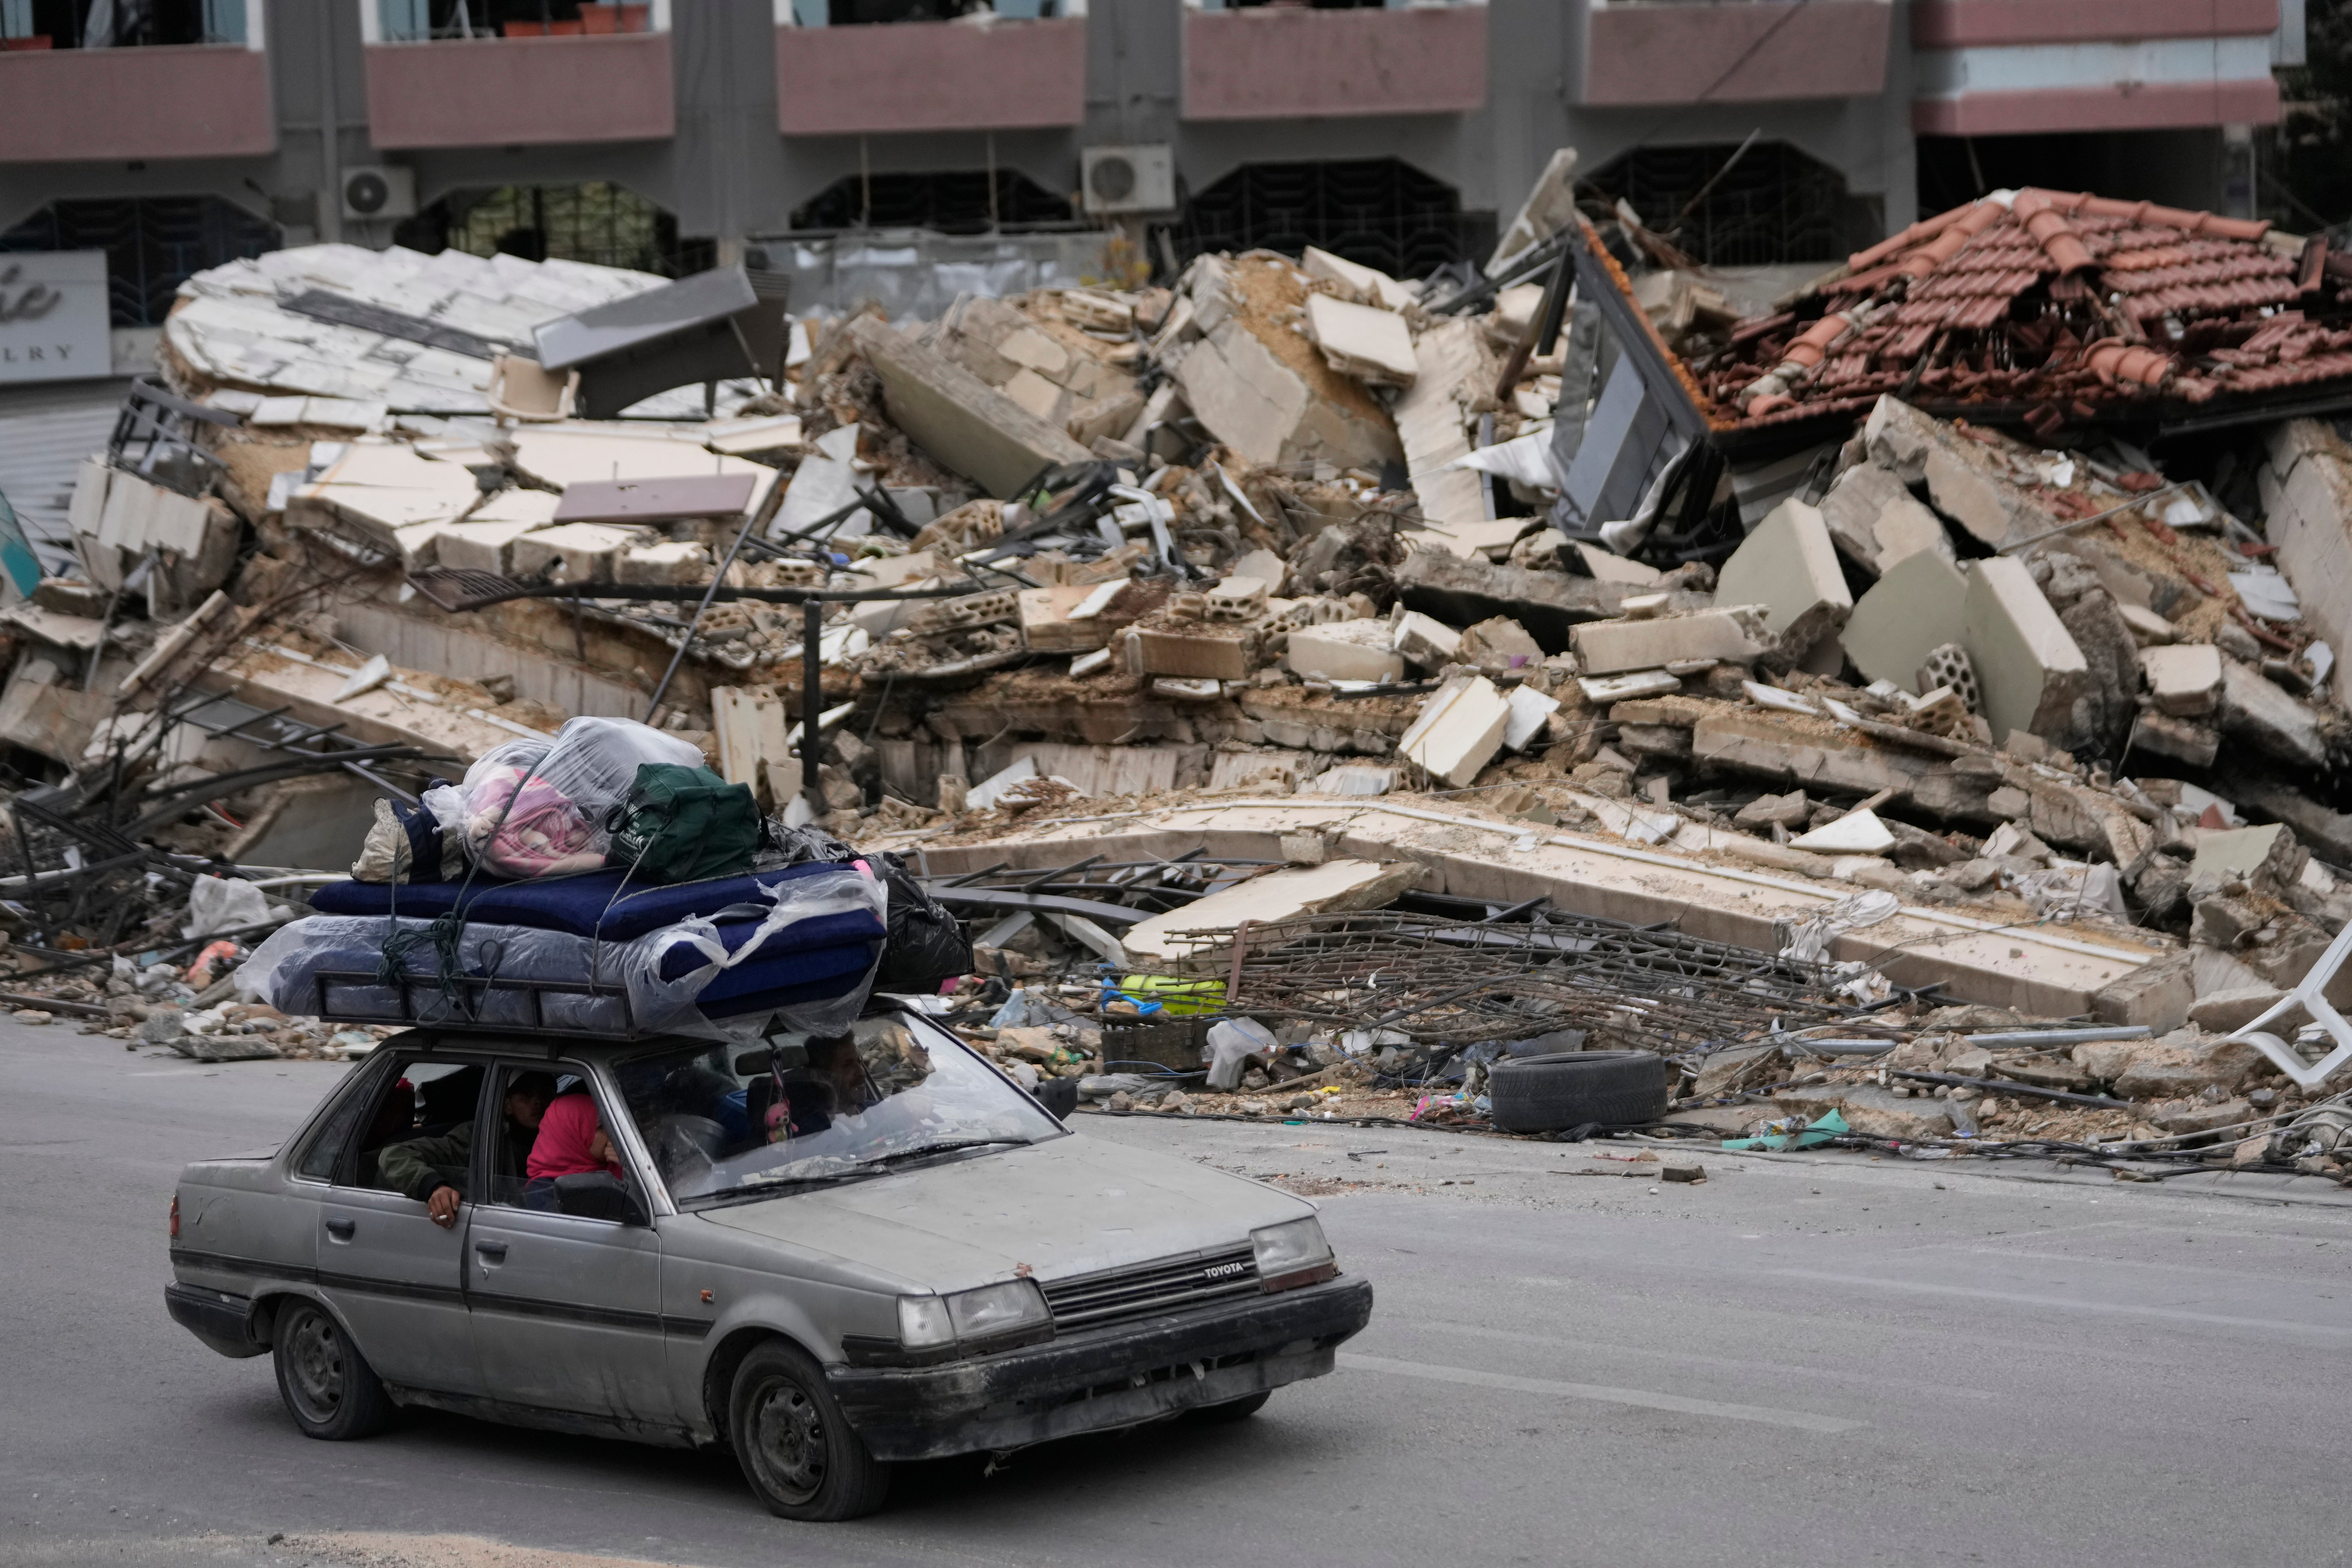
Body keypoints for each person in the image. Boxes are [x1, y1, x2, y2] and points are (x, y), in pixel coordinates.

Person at [377, 1071, 556, 1229]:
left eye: (546, 1094)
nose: (538, 1102)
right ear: (508, 1106)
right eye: (527, 1095)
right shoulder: (479, 1137)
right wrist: (435, 1187)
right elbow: (395, 1155)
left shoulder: (563, 1142)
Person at [523, 1090, 623, 1208]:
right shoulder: (544, 1192)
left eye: (610, 1126)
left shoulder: (612, 1166)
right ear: (573, 1136)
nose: (612, 1134)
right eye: (601, 1128)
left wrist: (627, 1167)